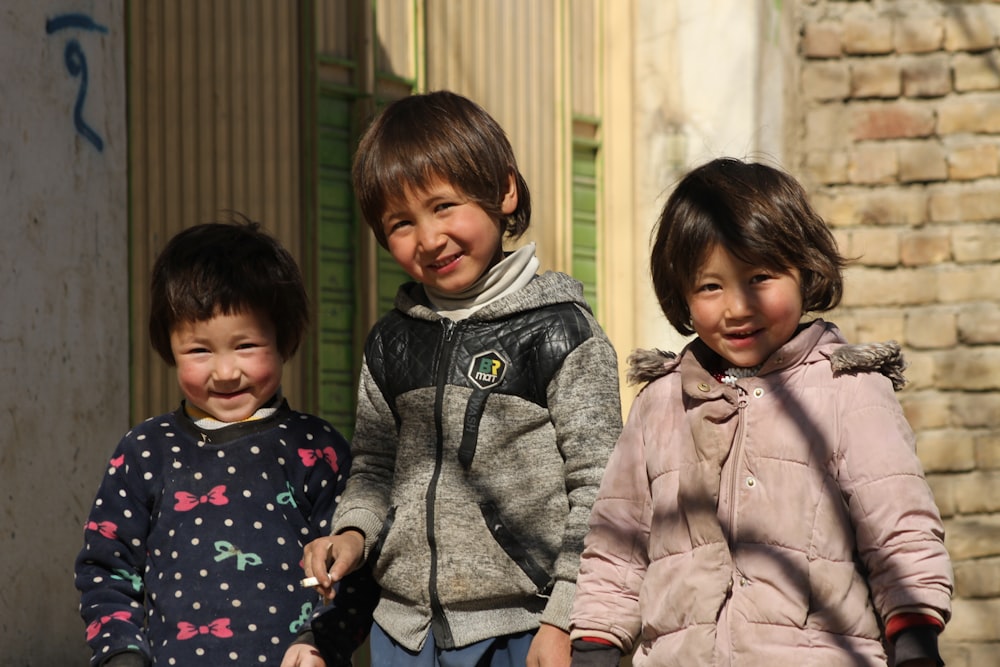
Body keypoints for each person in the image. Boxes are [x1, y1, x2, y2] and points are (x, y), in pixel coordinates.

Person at [569, 157, 953, 667]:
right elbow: (616, 544)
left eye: (760, 278)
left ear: (805, 271)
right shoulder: (661, 402)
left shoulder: (848, 390)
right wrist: (594, 645)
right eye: (710, 286)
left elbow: (898, 527)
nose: (737, 308)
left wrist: (914, 641)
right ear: (681, 291)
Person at [298, 90, 623, 667]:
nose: (428, 239)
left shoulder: (560, 332)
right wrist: (350, 537)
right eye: (401, 223)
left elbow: (600, 488)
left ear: (504, 191)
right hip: (402, 634)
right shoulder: (391, 342)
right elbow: (373, 469)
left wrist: (565, 615)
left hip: (522, 630)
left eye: (444, 206)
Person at [75, 220, 376, 667]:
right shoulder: (144, 452)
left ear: (284, 341)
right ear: (169, 349)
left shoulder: (316, 448)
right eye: (199, 351)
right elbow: (107, 568)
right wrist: (121, 652)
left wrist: (321, 640)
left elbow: (353, 573)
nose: (226, 371)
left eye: (246, 345)